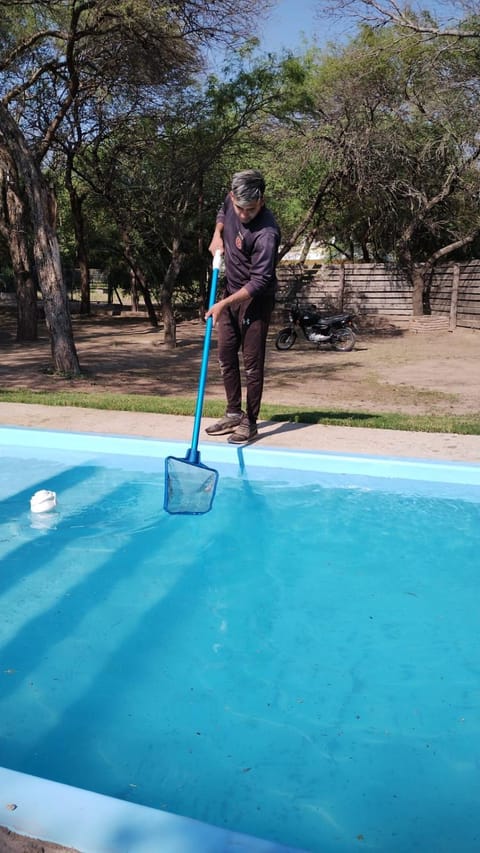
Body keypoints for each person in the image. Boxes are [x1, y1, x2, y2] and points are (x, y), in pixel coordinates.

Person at [205, 169, 281, 444]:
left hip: (255, 301)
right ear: (232, 196)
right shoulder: (231, 203)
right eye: (239, 207)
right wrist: (217, 235)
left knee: (252, 365)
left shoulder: (267, 233)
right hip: (230, 293)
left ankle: (250, 422)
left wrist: (223, 303)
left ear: (261, 200)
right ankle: (233, 413)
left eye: (249, 209)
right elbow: (223, 214)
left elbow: (261, 280)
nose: (243, 214)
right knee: (226, 356)